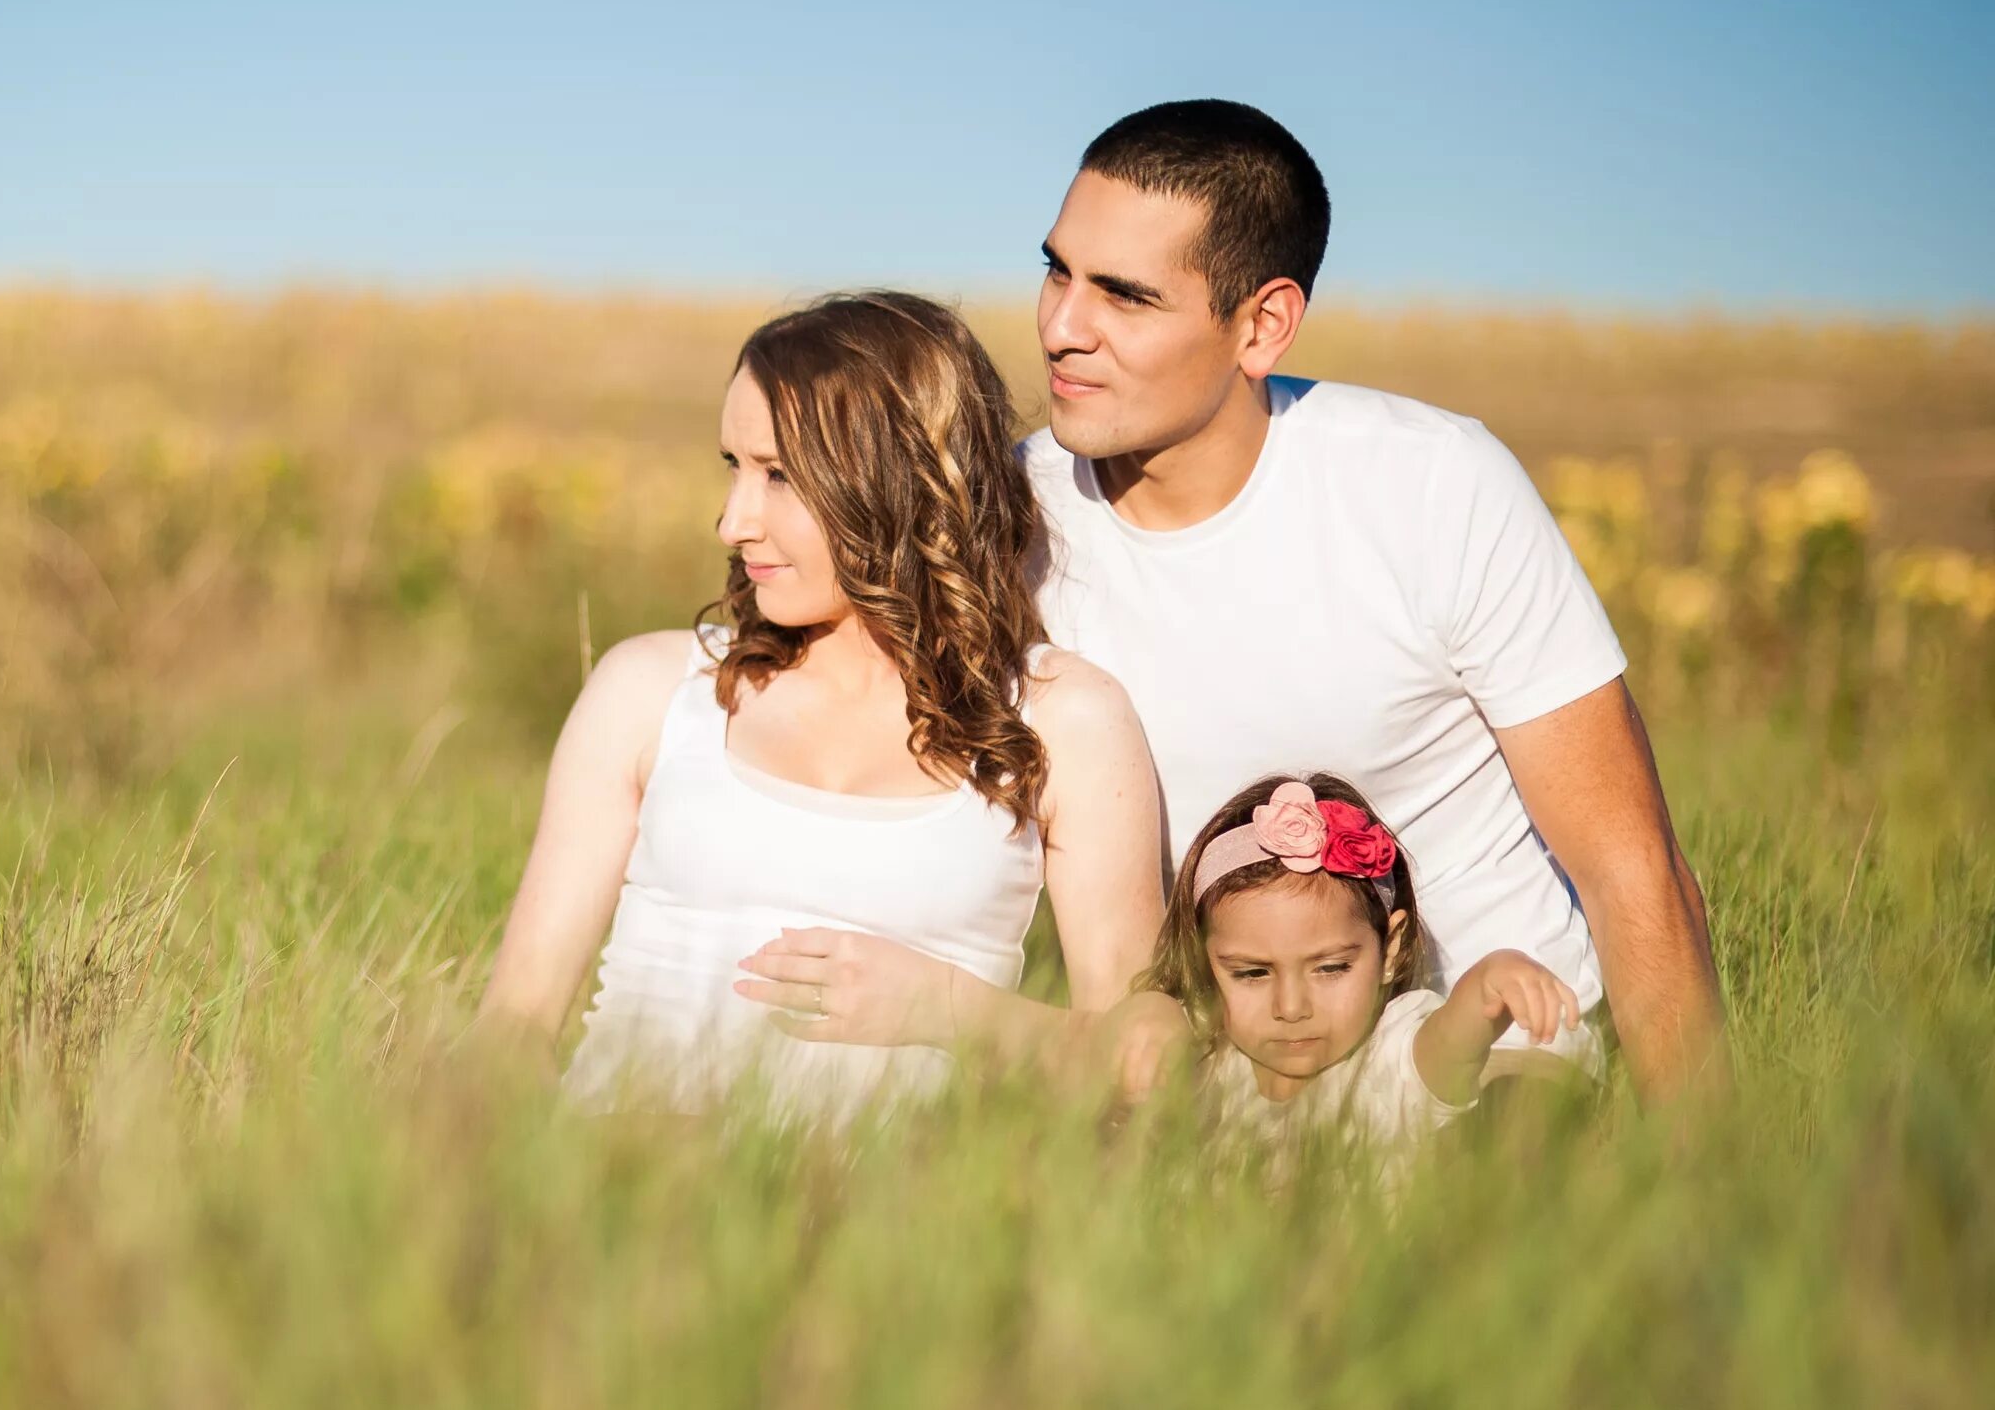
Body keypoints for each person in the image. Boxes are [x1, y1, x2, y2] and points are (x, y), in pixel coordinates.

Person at [1012, 99, 1723, 1100]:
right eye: (1057, 270)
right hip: (1217, 1082)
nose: (1061, 326)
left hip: (1496, 1068)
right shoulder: (1004, 517)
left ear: (1262, 325)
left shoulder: (1435, 484)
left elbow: (1631, 864)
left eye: (1125, 297)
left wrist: (1709, 1188)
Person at [474, 291, 1165, 1124]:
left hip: (898, 1232)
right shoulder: (651, 691)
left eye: (779, 476)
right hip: (620, 1200)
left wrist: (951, 1009)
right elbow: (511, 1029)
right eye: (733, 466)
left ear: (903, 478)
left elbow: (1149, 1062)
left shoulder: (1063, 718)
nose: (733, 522)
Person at [1140, 773, 1587, 1163]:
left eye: (1331, 968)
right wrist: (1145, 1015)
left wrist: (1489, 981)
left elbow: (1450, 1044)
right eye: (1253, 973)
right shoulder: (1207, 1060)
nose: (1291, 1007)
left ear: (1390, 951)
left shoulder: (1393, 1058)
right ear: (1203, 960)